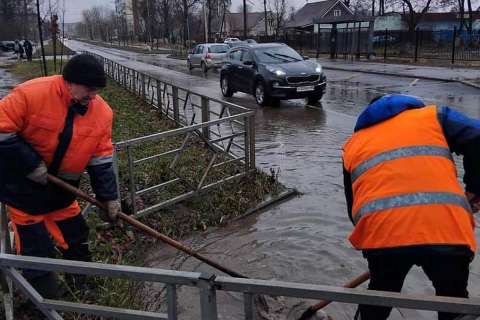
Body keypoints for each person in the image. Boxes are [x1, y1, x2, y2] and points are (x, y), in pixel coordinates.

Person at [342, 94, 478, 320]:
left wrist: (384, 249)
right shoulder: (433, 117)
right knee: (454, 303)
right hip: (446, 231)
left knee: (377, 300)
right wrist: (475, 189)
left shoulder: (353, 145)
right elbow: (478, 137)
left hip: (384, 235)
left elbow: (354, 210)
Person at [0, 54, 122, 299]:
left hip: (63, 193)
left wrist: (109, 197)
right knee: (37, 251)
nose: (93, 96)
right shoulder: (31, 94)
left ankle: (82, 288)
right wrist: (31, 164)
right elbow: (2, 130)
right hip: (23, 192)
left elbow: (101, 159)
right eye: (89, 89)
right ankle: (45, 302)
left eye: (97, 90)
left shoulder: (101, 113)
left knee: (77, 238)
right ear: (70, 82)